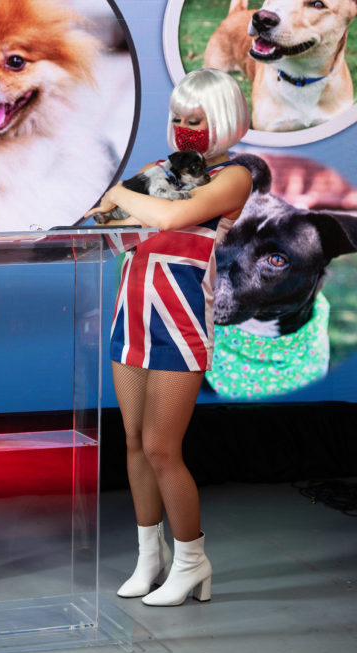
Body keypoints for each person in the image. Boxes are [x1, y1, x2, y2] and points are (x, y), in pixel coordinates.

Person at [87, 68, 252, 606]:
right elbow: (111, 232)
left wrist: (117, 192)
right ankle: (149, 558)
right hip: (129, 315)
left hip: (179, 321)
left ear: (223, 118)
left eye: (196, 119)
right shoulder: (154, 170)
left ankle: (191, 561)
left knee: (162, 448)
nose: (184, 129)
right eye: (178, 118)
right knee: (133, 443)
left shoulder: (235, 176)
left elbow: (174, 215)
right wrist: (101, 215)